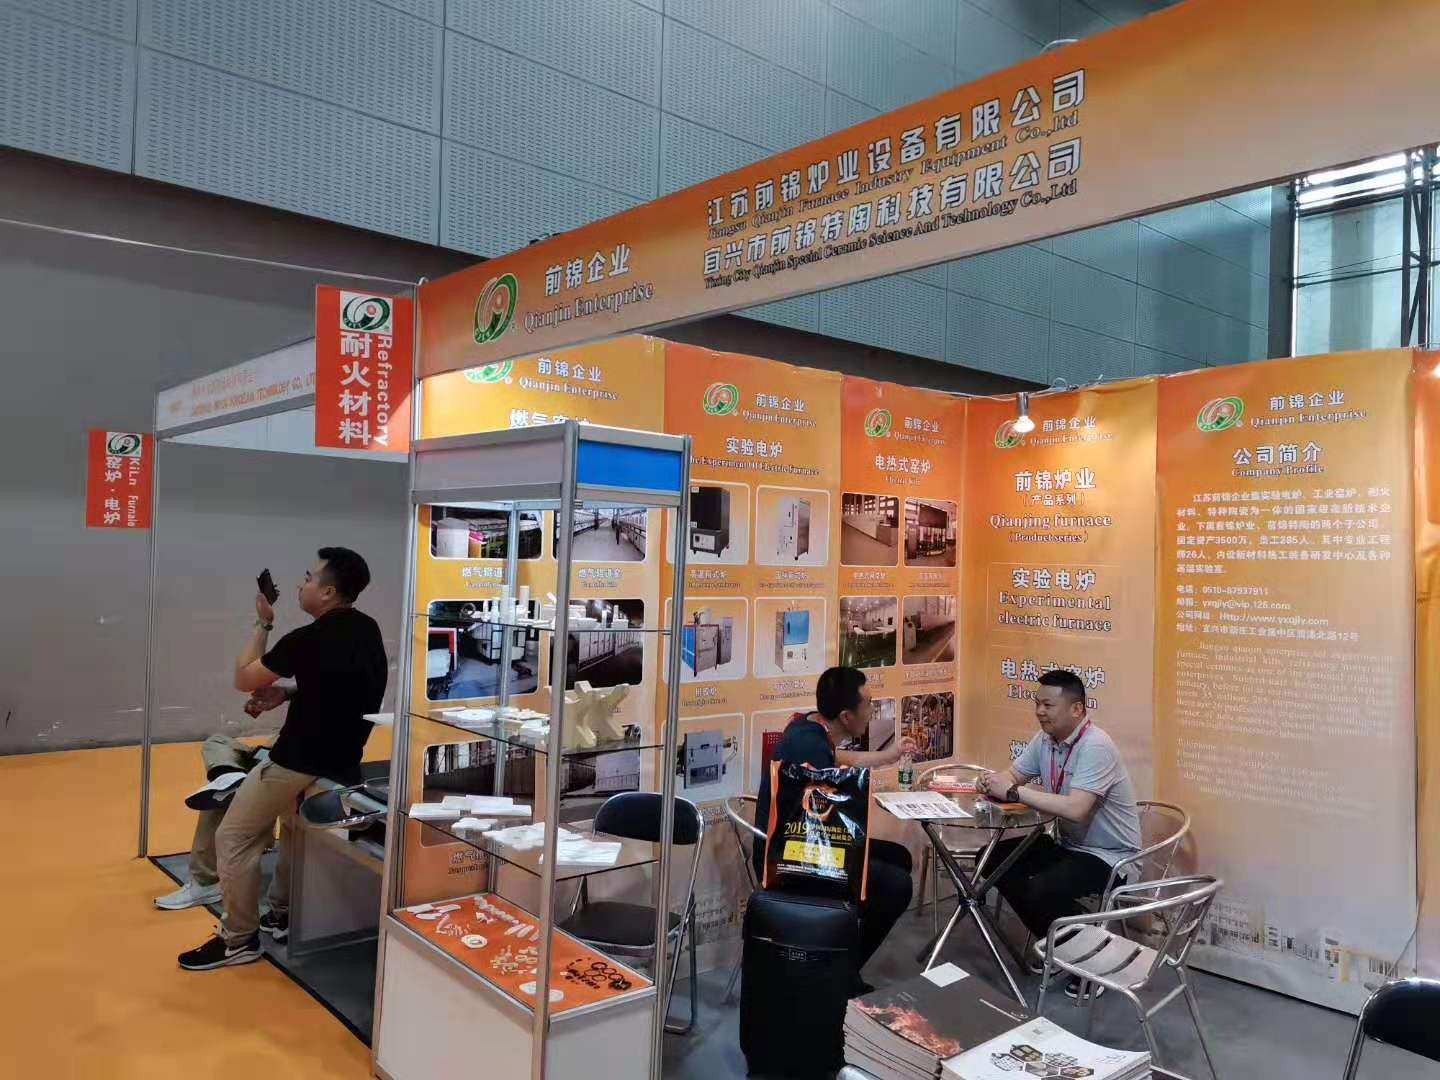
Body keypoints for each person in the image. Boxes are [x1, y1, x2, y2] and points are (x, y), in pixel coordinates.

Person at [172, 547, 388, 972]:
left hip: (295, 761)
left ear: (328, 592)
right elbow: (345, 687)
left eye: (308, 577)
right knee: (292, 832)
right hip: (342, 759)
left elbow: (244, 676)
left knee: (233, 838)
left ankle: (238, 938)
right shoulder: (367, 629)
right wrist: (287, 693)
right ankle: (283, 913)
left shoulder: (307, 638)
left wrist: (264, 622)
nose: (300, 584)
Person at [976, 669, 1142, 997]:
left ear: (1076, 709)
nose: (1039, 712)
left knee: (1041, 888)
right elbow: (1014, 774)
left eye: (1048, 705)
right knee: (992, 861)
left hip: (1111, 857)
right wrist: (993, 782)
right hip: (1067, 844)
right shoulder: (1045, 739)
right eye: (1037, 704)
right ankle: (1060, 945)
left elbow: (1077, 809)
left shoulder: (1096, 745)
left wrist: (1013, 792)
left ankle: (1091, 959)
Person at [752, 666, 917, 985]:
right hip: (791, 859)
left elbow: (841, 759)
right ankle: (838, 972)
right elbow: (825, 823)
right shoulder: (810, 747)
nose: (872, 710)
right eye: (868, 704)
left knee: (899, 857)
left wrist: (889, 756)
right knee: (896, 886)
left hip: (800, 841)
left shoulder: (809, 726)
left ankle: (837, 946)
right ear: (846, 716)